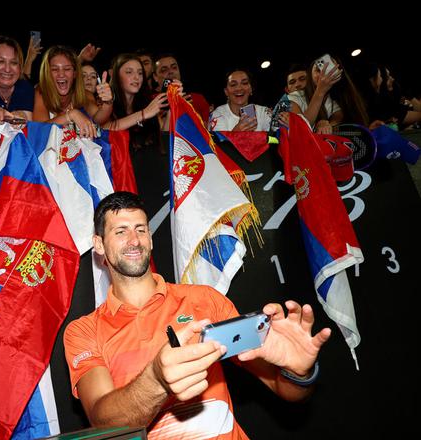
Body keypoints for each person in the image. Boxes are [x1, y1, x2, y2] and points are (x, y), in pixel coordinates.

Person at [64, 191, 331, 437]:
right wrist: (157, 379)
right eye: (120, 231)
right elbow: (103, 423)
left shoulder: (205, 299)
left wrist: (297, 372)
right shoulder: (84, 331)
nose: (134, 240)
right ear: (98, 244)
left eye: (141, 229)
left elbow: (285, 389)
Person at [33, 45, 113, 138]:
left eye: (67, 69)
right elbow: (38, 131)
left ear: (75, 73)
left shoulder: (84, 93)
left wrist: (108, 103)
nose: (61, 74)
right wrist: (71, 115)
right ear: (47, 73)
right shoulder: (41, 91)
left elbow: (99, 119)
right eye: (55, 69)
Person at [288, 54, 368, 134]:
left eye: (328, 71)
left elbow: (335, 121)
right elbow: (299, 129)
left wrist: (326, 124)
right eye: (318, 70)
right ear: (310, 74)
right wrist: (320, 90)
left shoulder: (334, 103)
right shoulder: (295, 97)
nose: (322, 75)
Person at [103, 53, 167, 151]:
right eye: (129, 72)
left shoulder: (147, 102)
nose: (136, 77)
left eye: (140, 73)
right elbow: (105, 128)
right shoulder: (107, 103)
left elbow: (164, 136)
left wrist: (174, 100)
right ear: (117, 76)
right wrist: (144, 113)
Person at [152, 53, 210, 127]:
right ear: (155, 77)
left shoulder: (198, 99)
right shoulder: (150, 102)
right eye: (164, 70)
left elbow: (206, 132)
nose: (171, 71)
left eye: (174, 67)